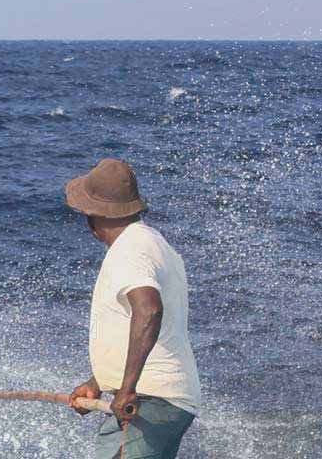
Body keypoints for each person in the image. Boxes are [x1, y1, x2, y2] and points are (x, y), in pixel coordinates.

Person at [63, 159, 201, 459]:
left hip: (150, 400)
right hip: (162, 399)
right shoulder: (152, 243)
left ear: (94, 217)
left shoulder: (129, 250)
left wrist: (126, 389)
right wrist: (99, 382)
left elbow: (149, 311)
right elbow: (136, 324)